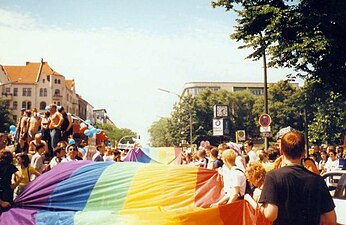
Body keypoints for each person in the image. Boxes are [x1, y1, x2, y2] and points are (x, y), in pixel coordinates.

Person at [258, 131, 336, 224]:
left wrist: (261, 206)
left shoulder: (273, 176)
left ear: (281, 151)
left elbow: (270, 214)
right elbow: (330, 219)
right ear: (304, 152)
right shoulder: (318, 180)